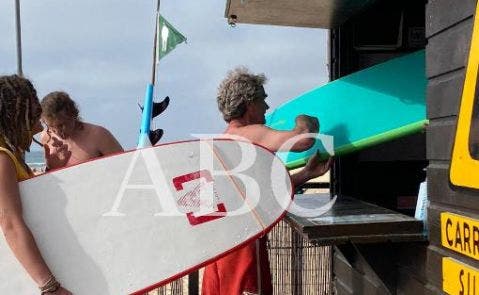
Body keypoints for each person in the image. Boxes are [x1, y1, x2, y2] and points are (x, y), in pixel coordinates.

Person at [202, 67, 332, 295]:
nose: (267, 106)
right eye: (263, 98)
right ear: (248, 103)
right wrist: (304, 117)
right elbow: (303, 140)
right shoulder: (249, 134)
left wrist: (305, 174)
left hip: (220, 253)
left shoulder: (222, 140)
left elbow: (259, 196)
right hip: (243, 250)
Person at [0, 75, 72, 294]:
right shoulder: (2, 157)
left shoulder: (11, 154)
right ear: (15, 117)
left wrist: (53, 167)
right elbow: (10, 223)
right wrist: (50, 287)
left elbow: (35, 207)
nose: (38, 127)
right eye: (32, 117)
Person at [40, 91, 123, 170]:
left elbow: (125, 166)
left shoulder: (98, 135)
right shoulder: (46, 138)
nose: (57, 131)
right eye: (51, 126)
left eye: (61, 125)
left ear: (73, 115)